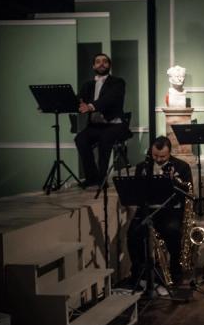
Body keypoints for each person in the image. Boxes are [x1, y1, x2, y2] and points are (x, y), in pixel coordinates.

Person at [127, 136, 193, 287]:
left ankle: (175, 273)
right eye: (155, 155)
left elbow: (188, 192)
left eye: (163, 156)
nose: (158, 159)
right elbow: (137, 192)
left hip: (170, 210)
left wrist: (173, 181)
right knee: (133, 234)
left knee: (172, 232)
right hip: (148, 210)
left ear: (170, 152)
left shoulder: (182, 167)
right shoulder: (143, 167)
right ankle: (139, 272)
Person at [74, 53, 131, 187]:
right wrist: (52, 105)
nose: (101, 64)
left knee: (105, 138)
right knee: (80, 139)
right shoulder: (88, 85)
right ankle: (91, 177)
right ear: (93, 66)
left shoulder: (118, 82)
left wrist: (90, 106)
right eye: (98, 62)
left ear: (109, 65)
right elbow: (78, 101)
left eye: (105, 61)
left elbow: (109, 99)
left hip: (115, 125)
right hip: (95, 126)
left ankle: (102, 179)